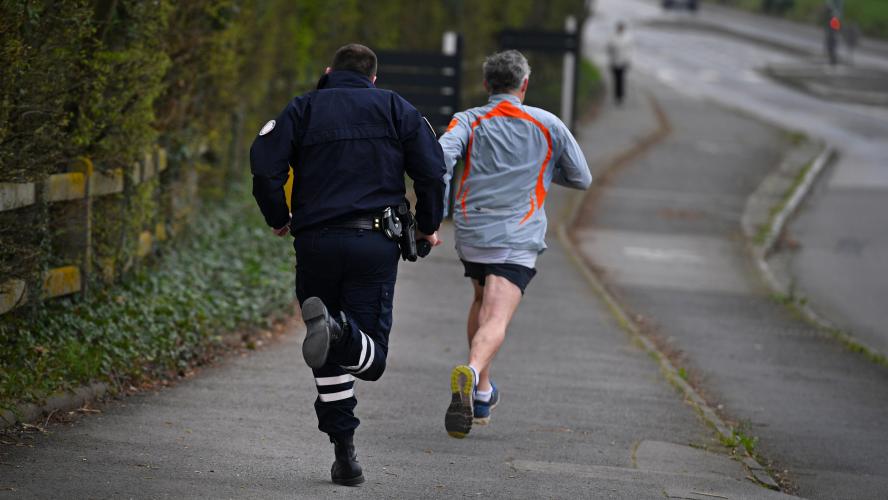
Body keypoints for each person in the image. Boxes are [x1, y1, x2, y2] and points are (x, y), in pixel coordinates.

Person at [250, 43, 446, 485]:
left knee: (327, 353)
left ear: (327, 71)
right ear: (373, 78)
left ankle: (345, 454)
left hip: (315, 241)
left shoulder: (303, 108)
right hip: (373, 244)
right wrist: (427, 226)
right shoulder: (396, 108)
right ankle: (338, 329)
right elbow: (432, 172)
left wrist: (278, 218)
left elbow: (265, 167)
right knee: (369, 358)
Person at [438, 50, 592, 438]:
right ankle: (471, 373)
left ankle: (483, 394)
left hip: (472, 234)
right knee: (497, 317)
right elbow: (582, 178)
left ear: (487, 84)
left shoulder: (469, 119)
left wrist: (438, 211)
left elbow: (441, 155)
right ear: (524, 84)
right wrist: (539, 166)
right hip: (517, 236)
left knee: (481, 300)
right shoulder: (548, 123)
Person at [605, 21, 633, 105]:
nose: (620, 29)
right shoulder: (612, 37)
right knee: (616, 79)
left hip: (623, 61)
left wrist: (628, 61)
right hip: (614, 61)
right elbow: (608, 48)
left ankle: (620, 96)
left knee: (621, 79)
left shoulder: (628, 38)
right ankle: (616, 96)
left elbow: (630, 51)